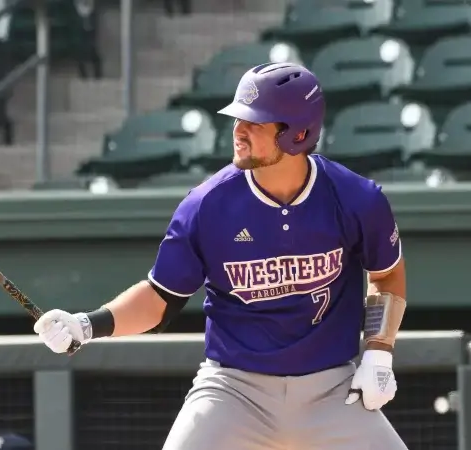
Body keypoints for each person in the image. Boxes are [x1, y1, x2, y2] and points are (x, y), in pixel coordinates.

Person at [33, 62, 408, 449]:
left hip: (334, 389)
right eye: (237, 119)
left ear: (298, 134)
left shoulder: (356, 199)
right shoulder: (206, 205)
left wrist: (380, 351)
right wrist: (87, 325)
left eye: (255, 123)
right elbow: (160, 297)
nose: (238, 131)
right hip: (233, 391)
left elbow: (386, 274)